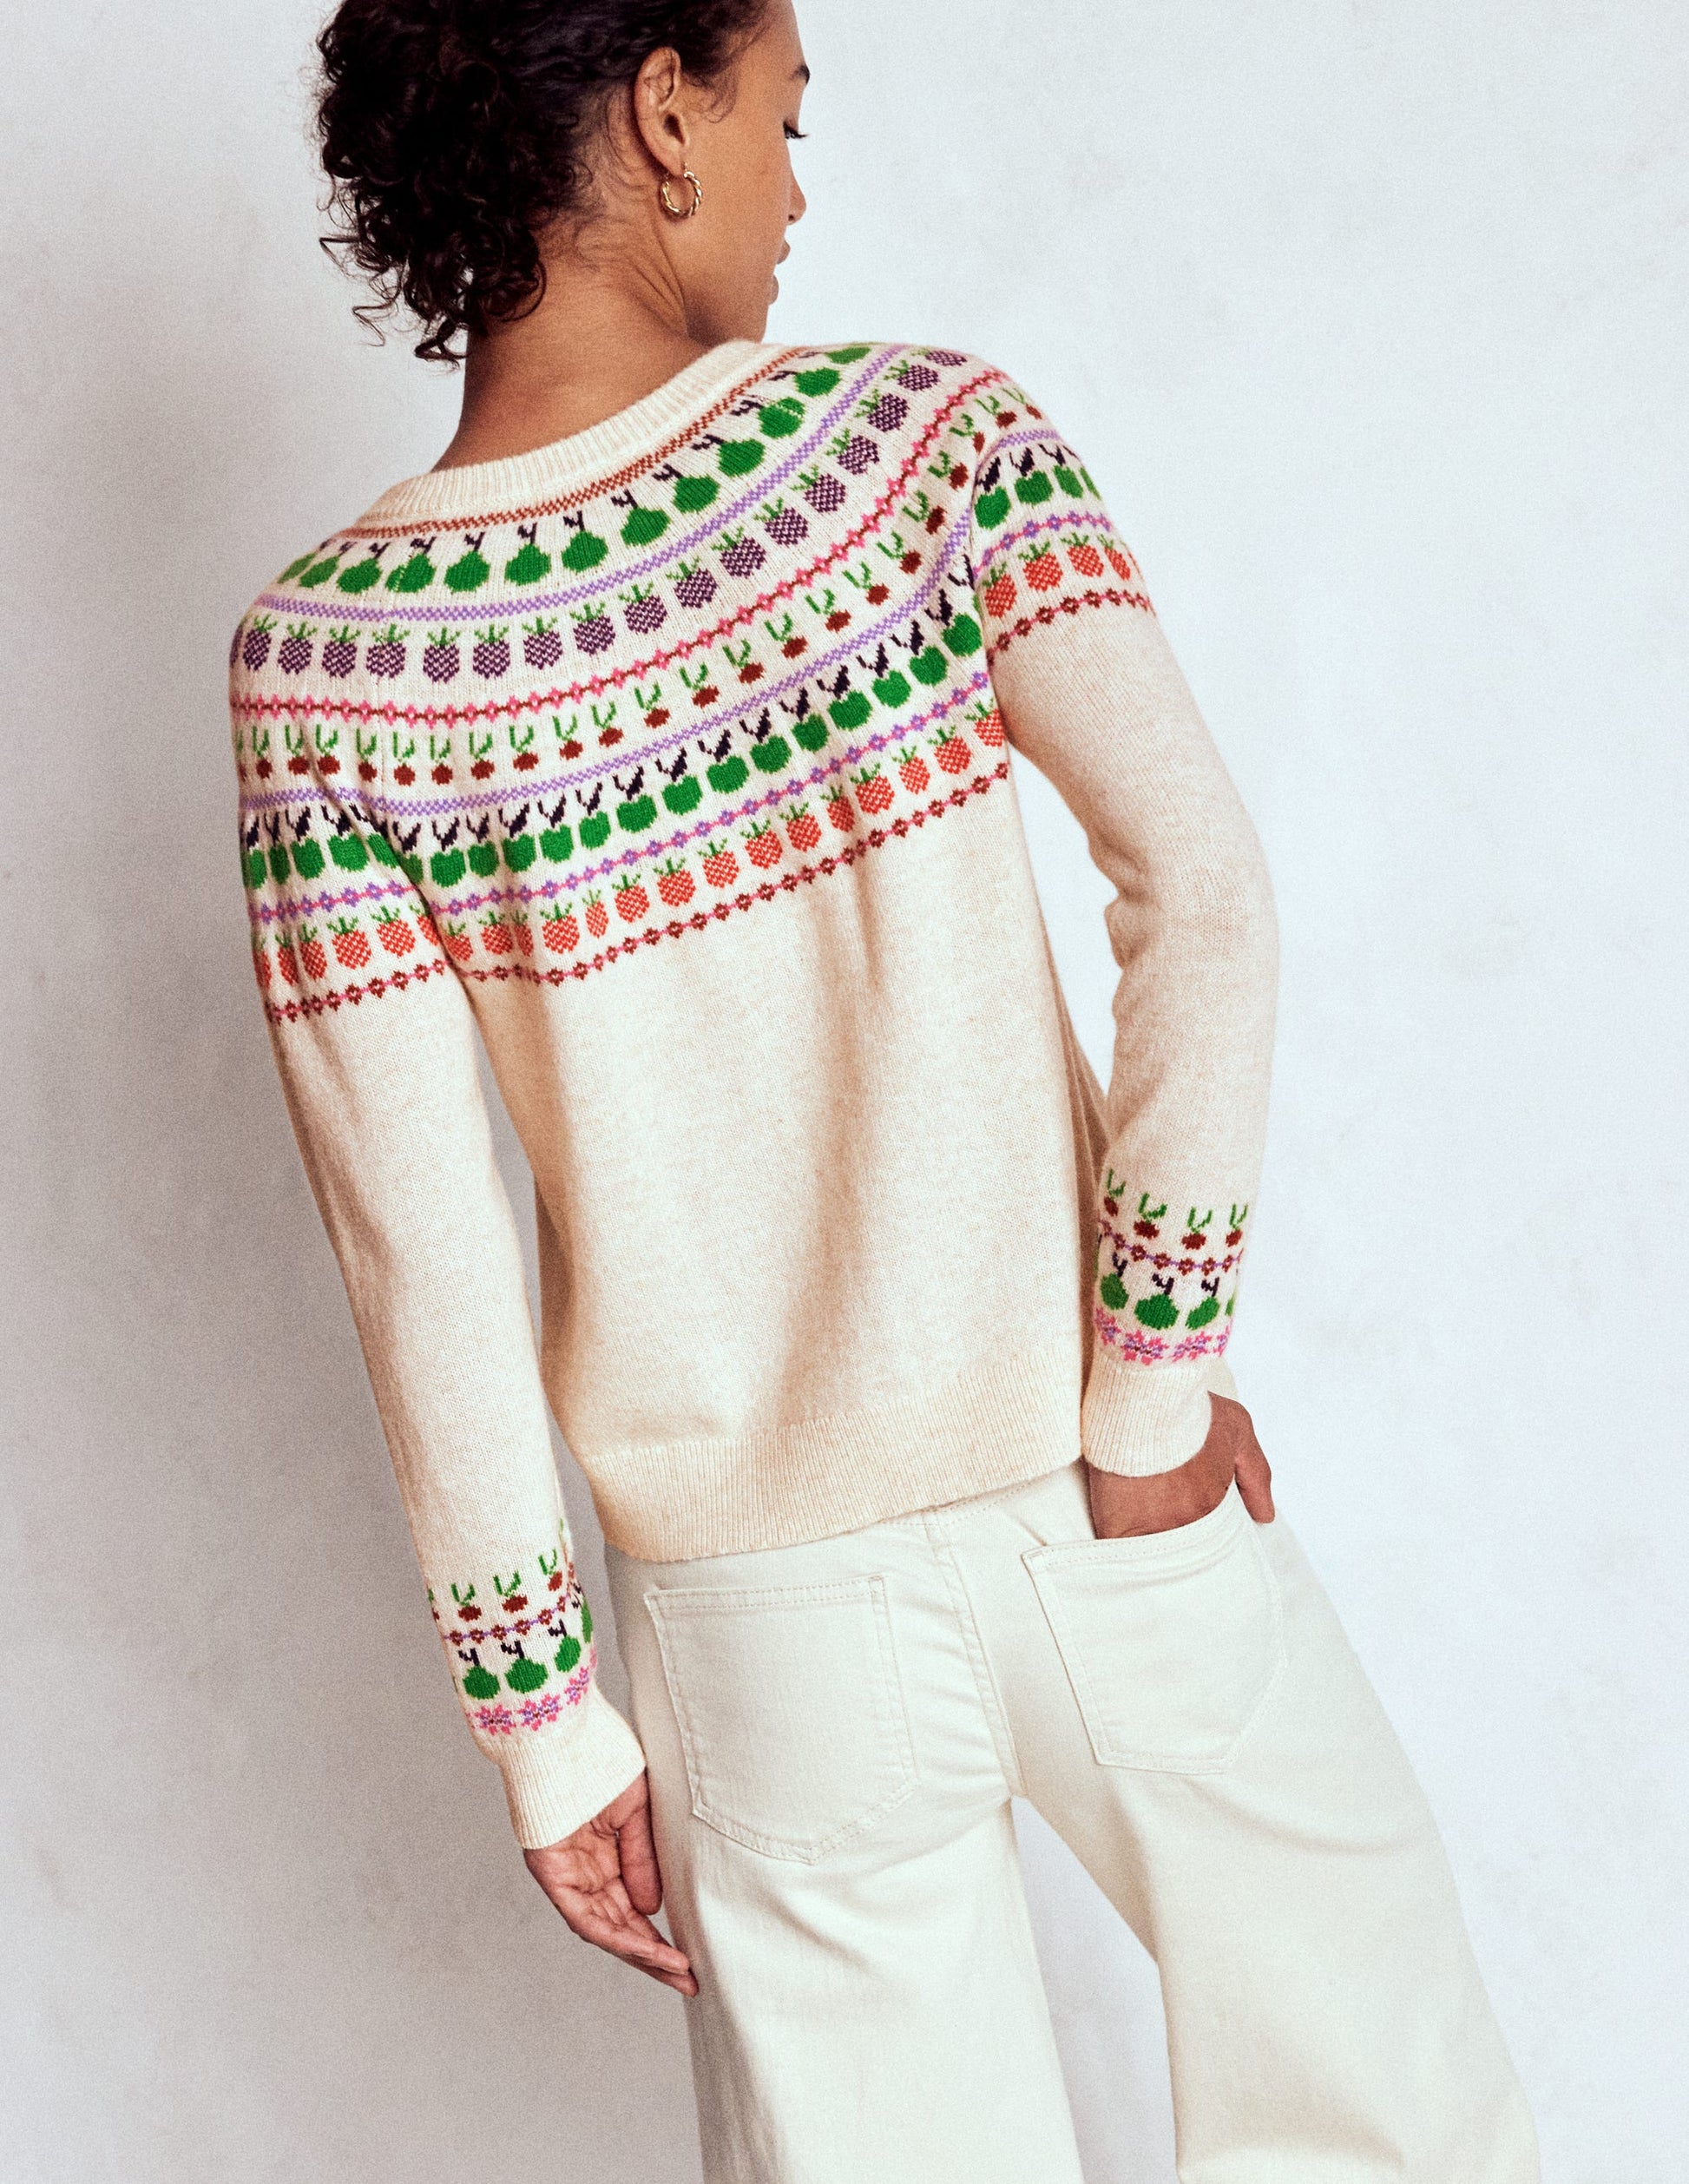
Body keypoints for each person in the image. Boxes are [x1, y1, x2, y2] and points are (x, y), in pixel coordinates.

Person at [228, 1, 1541, 2175]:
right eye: (780, 114)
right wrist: (1152, 1385)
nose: (794, 187)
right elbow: (1201, 890)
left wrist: (549, 1726)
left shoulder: (329, 666)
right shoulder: (925, 444)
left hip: (757, 1629)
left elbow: (420, 1255)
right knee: (1395, 2127)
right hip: (1097, 1493)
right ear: (664, 109)